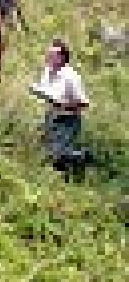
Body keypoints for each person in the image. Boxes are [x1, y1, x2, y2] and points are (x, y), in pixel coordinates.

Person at [29, 39, 91, 178]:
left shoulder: (71, 77)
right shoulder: (47, 71)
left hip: (68, 119)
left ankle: (82, 157)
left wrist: (63, 104)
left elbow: (84, 103)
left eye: (53, 55)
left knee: (60, 154)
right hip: (51, 114)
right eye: (48, 54)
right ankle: (64, 176)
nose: (48, 58)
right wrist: (38, 91)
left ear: (62, 58)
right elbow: (46, 90)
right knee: (51, 153)